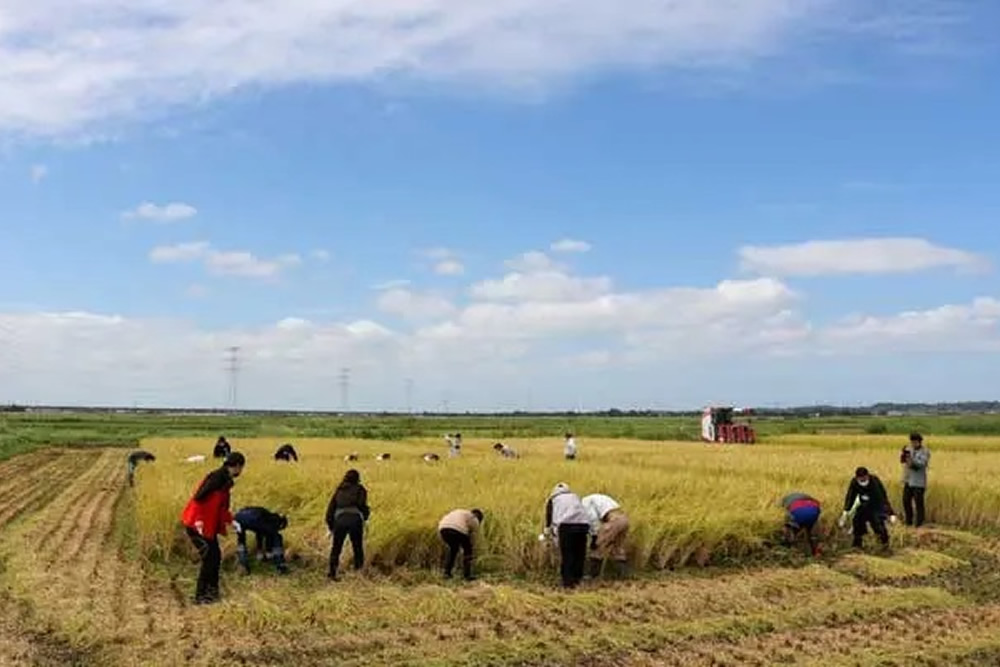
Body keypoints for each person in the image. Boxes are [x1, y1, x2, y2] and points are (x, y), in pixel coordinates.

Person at [180, 452, 246, 604]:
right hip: (198, 525)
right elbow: (202, 503)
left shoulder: (222, 479)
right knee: (210, 559)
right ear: (237, 466)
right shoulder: (217, 481)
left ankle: (212, 593)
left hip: (203, 525)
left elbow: (220, 509)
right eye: (241, 468)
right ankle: (201, 596)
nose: (241, 472)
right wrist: (200, 524)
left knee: (215, 557)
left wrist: (231, 520)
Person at [325, 469, 370, 580]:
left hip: (339, 520)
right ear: (357, 479)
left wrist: (331, 527)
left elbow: (330, 510)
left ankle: (332, 573)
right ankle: (358, 573)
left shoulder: (339, 490)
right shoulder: (361, 489)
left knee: (336, 547)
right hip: (355, 520)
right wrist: (366, 516)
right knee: (357, 547)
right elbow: (361, 505)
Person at [544, 483, 591, 588]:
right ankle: (577, 580)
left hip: (566, 526)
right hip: (583, 525)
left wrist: (549, 533)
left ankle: (568, 583)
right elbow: (583, 511)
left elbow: (549, 519)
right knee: (579, 554)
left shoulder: (553, 499)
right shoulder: (575, 497)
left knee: (567, 555)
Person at [840, 467, 896, 550]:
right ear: (857, 478)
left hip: (876, 506)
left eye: (864, 479)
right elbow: (850, 497)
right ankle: (857, 545)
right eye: (860, 480)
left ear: (867, 476)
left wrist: (891, 513)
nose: (862, 481)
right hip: (863, 506)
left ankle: (884, 545)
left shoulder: (874, 482)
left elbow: (883, 498)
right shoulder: (854, 482)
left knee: (878, 525)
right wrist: (845, 513)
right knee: (857, 521)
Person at [582, 493, 629, 578]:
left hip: (613, 521)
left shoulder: (584, 503)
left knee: (598, 547)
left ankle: (593, 575)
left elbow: (593, 519)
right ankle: (623, 575)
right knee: (617, 548)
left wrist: (594, 535)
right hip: (624, 520)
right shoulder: (598, 497)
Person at [234, 506, 289, 574]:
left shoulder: (265, 516)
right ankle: (280, 565)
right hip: (253, 519)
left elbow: (259, 533)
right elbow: (269, 536)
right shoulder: (273, 521)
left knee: (241, 541)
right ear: (280, 524)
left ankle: (243, 565)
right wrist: (268, 553)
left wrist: (260, 550)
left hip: (237, 518)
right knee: (277, 537)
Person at [437, 508, 484, 581]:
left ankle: (447, 573)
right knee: (468, 551)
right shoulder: (473, 517)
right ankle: (467, 575)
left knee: (453, 550)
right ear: (479, 517)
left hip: (443, 528)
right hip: (458, 529)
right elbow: (473, 537)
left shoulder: (460, 512)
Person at [901, 433, 931, 527]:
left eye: (915, 442)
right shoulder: (909, 449)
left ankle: (919, 523)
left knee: (919, 503)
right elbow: (903, 461)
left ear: (919, 442)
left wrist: (910, 459)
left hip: (918, 482)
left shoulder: (925, 451)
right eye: (912, 442)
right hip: (908, 480)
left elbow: (921, 464)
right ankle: (908, 521)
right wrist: (904, 454)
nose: (913, 444)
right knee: (906, 501)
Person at [780, 491, 822, 557]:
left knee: (790, 527)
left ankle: (788, 548)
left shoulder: (784, 500)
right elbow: (818, 504)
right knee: (812, 532)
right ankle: (816, 552)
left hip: (797, 510)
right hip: (814, 509)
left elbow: (781, 510)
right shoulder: (808, 497)